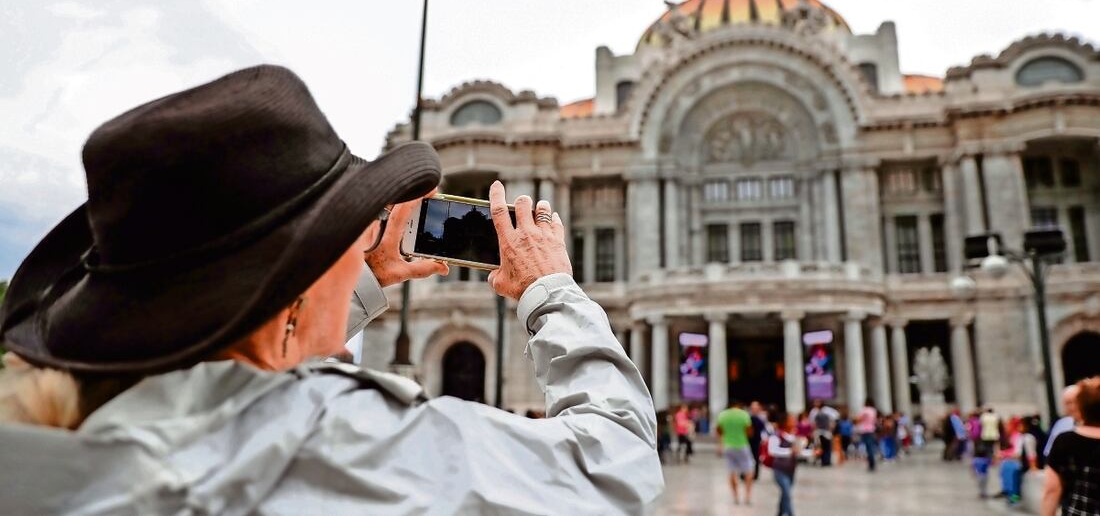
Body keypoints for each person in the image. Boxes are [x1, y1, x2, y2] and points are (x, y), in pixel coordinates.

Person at [0, 66, 664, 513]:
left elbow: (250, 355)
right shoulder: (329, 439)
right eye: (348, 235)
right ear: (288, 302)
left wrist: (356, 277)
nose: (362, 249)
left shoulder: (53, 443)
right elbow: (615, 469)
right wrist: (551, 291)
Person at [1044, 377, 1100, 516]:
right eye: (1067, 403)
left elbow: (1051, 490)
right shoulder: (1062, 428)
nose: (1070, 407)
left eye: (1073, 402)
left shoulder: (1065, 440)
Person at [717, 400, 756, 505]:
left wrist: (720, 445)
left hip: (728, 446)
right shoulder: (744, 415)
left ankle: (736, 496)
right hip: (742, 445)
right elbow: (749, 432)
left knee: (732, 472)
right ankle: (747, 496)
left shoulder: (723, 415)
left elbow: (719, 431)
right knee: (749, 471)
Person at [766, 415, 801, 516]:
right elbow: (772, 451)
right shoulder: (776, 436)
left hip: (791, 470)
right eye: (791, 420)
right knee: (787, 493)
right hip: (779, 470)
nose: (794, 422)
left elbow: (799, 452)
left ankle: (780, 513)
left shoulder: (794, 437)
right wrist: (789, 452)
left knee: (785, 494)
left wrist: (812, 453)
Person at [1044, 384, 1081, 461]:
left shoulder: (1094, 421)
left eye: (1075, 402)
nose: (1072, 407)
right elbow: (1049, 452)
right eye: (1067, 403)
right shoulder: (1061, 424)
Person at [808, 399, 839, 466]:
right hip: (825, 432)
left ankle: (824, 461)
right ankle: (826, 461)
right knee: (826, 447)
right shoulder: (824, 413)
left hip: (820, 432)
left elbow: (814, 424)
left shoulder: (818, 413)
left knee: (822, 447)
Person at [748, 400, 769, 479]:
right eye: (753, 407)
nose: (754, 409)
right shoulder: (747, 416)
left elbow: (764, 428)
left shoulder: (762, 417)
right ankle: (745, 474)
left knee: (756, 457)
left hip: (757, 440)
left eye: (755, 407)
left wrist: (764, 438)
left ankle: (756, 474)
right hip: (748, 440)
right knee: (747, 457)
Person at [857, 397, 879, 471]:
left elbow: (859, 419)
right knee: (870, 447)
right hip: (872, 430)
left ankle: (871, 464)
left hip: (865, 430)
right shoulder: (873, 410)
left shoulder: (865, 410)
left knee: (868, 448)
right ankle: (872, 463)